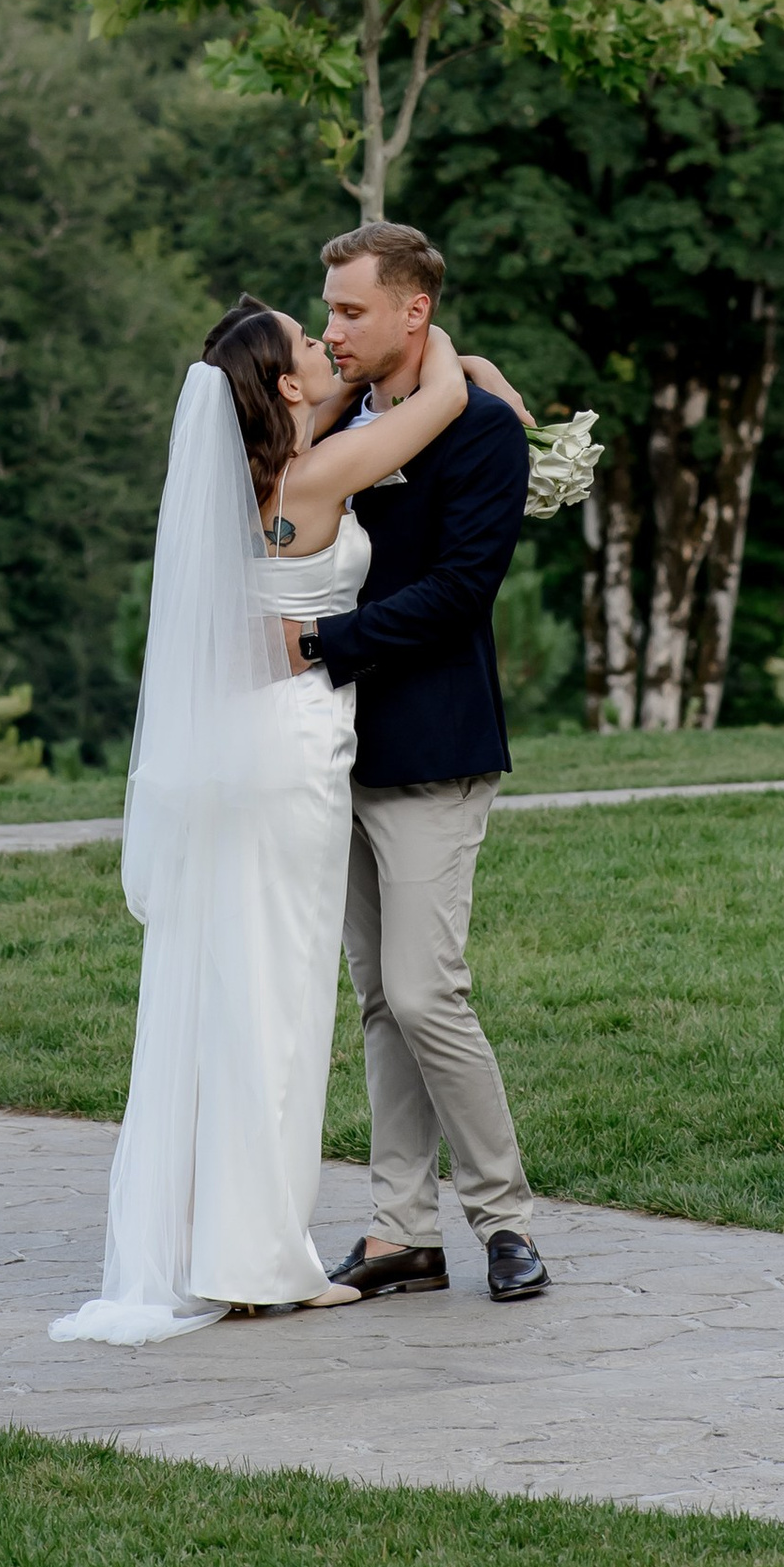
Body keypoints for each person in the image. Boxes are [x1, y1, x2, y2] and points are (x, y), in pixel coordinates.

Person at [51, 288, 518, 1342]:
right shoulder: (313, 473)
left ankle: (223, 1241)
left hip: (240, 752)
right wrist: (449, 347)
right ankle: (262, 1257)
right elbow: (435, 395)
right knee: (284, 1002)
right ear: (282, 388)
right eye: (311, 341)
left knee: (239, 987)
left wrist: (347, 369)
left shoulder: (256, 474)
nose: (327, 343)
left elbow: (340, 390)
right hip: (296, 749)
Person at [306, 221, 550, 1306]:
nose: (333, 329)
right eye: (329, 310)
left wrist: (323, 645)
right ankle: (401, 1228)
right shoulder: (341, 420)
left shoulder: (483, 430)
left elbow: (461, 588)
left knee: (423, 988)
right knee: (376, 998)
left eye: (352, 310)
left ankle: (505, 1218)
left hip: (433, 748)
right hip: (329, 751)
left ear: (415, 310)